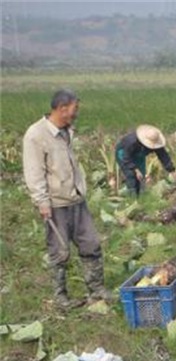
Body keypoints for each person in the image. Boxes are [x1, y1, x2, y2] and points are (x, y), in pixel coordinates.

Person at [22, 89, 112, 308]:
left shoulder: (66, 131)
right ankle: (60, 297)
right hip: (55, 204)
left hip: (77, 200)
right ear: (62, 108)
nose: (76, 113)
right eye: (74, 108)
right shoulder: (36, 135)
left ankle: (96, 289)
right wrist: (42, 201)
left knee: (91, 244)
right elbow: (34, 171)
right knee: (59, 251)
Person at [115, 124, 176, 196]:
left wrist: (171, 170)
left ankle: (141, 196)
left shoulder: (156, 142)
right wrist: (135, 169)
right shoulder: (131, 141)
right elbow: (126, 157)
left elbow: (163, 156)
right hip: (124, 153)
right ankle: (132, 197)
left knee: (141, 176)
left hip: (138, 155)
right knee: (131, 174)